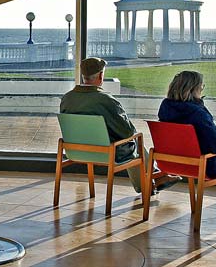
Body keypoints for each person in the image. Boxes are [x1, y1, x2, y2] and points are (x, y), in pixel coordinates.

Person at [60, 57, 177, 193]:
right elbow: (127, 132)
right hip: (105, 153)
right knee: (134, 141)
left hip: (75, 151)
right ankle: (152, 180)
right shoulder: (106, 100)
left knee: (130, 143)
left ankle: (156, 179)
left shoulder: (67, 98)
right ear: (101, 75)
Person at [157, 70, 216, 178]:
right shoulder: (198, 113)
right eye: (201, 86)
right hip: (206, 165)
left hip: (173, 161)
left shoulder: (165, 107)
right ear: (194, 89)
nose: (202, 89)